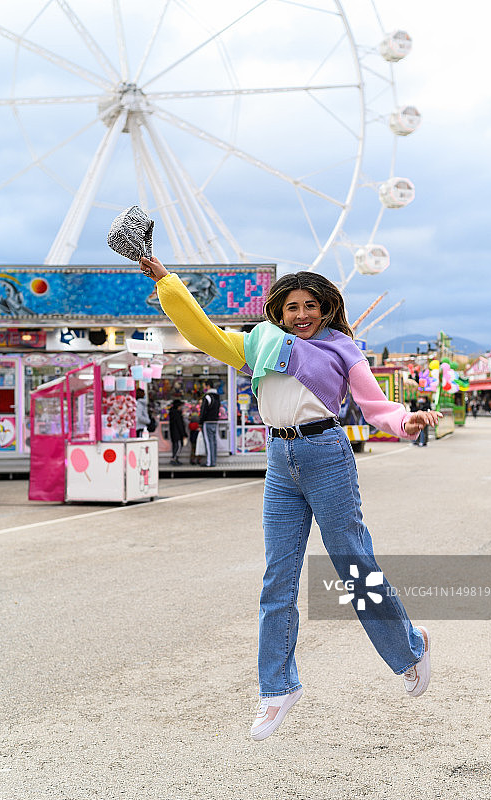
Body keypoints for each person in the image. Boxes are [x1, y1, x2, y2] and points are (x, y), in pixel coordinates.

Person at [140, 256, 441, 742]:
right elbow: (201, 332)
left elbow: (373, 403)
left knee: (352, 565)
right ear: (278, 311)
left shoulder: (343, 349)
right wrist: (166, 282)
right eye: (292, 306)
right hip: (279, 458)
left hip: (325, 452)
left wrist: (405, 422)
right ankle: (277, 689)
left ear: (324, 310)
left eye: (310, 306)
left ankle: (410, 650)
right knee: (277, 576)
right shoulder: (258, 342)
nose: (301, 314)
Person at [199, 380, 220, 467]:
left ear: (208, 386)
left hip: (207, 422)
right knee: (213, 442)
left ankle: (209, 462)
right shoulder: (217, 397)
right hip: (215, 421)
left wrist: (200, 422)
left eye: (204, 386)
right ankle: (213, 461)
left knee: (208, 442)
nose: (204, 388)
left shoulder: (207, 397)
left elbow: (203, 411)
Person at [169, 398, 187, 465]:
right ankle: (174, 459)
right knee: (178, 446)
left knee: (175, 446)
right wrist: (184, 434)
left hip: (173, 433)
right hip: (178, 434)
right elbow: (180, 425)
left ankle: (175, 459)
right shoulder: (177, 414)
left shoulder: (171, 413)